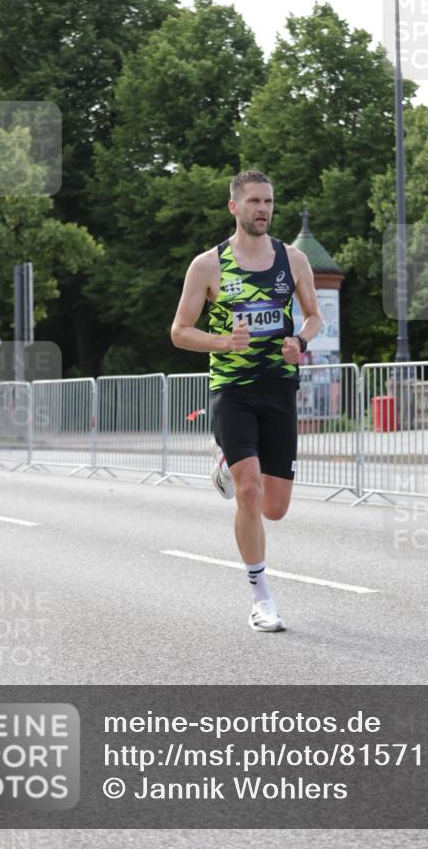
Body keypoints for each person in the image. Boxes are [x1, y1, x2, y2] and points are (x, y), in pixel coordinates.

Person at [171, 170, 322, 632]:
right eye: (254, 201)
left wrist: (299, 338)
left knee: (275, 507)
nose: (263, 209)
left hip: (278, 387)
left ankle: (227, 464)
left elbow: (315, 317)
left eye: (269, 202)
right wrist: (222, 342)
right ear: (234, 207)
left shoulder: (292, 260)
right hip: (232, 390)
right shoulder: (207, 266)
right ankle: (261, 598)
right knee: (249, 490)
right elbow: (179, 332)